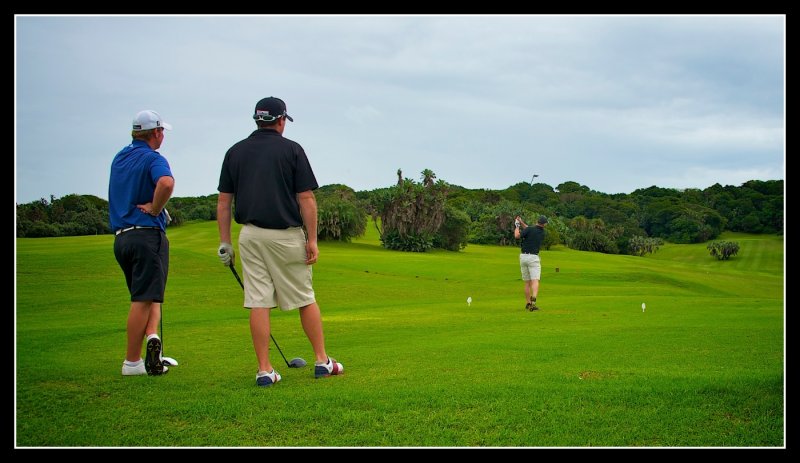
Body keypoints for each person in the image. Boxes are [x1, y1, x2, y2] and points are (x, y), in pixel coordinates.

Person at [216, 96, 344, 387]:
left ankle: (265, 370)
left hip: (249, 236)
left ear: (257, 120)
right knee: (305, 297)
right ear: (281, 120)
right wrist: (312, 239)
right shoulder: (292, 150)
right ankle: (323, 362)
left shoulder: (235, 152)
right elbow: (307, 199)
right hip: (286, 236)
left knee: (258, 301)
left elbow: (224, 203)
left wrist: (226, 242)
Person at [109, 110, 175, 376]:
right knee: (144, 298)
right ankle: (132, 362)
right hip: (146, 235)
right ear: (156, 132)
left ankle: (152, 338)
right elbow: (166, 183)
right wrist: (157, 208)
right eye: (161, 132)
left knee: (148, 295)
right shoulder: (152, 158)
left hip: (122, 238)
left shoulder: (120, 157)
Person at [514, 214, 548, 311]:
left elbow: (518, 235)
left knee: (527, 282)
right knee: (535, 280)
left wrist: (517, 225)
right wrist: (520, 222)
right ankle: (533, 302)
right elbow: (526, 230)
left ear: (537, 221)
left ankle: (528, 303)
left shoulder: (530, 230)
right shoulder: (542, 232)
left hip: (523, 257)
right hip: (533, 258)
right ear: (544, 224)